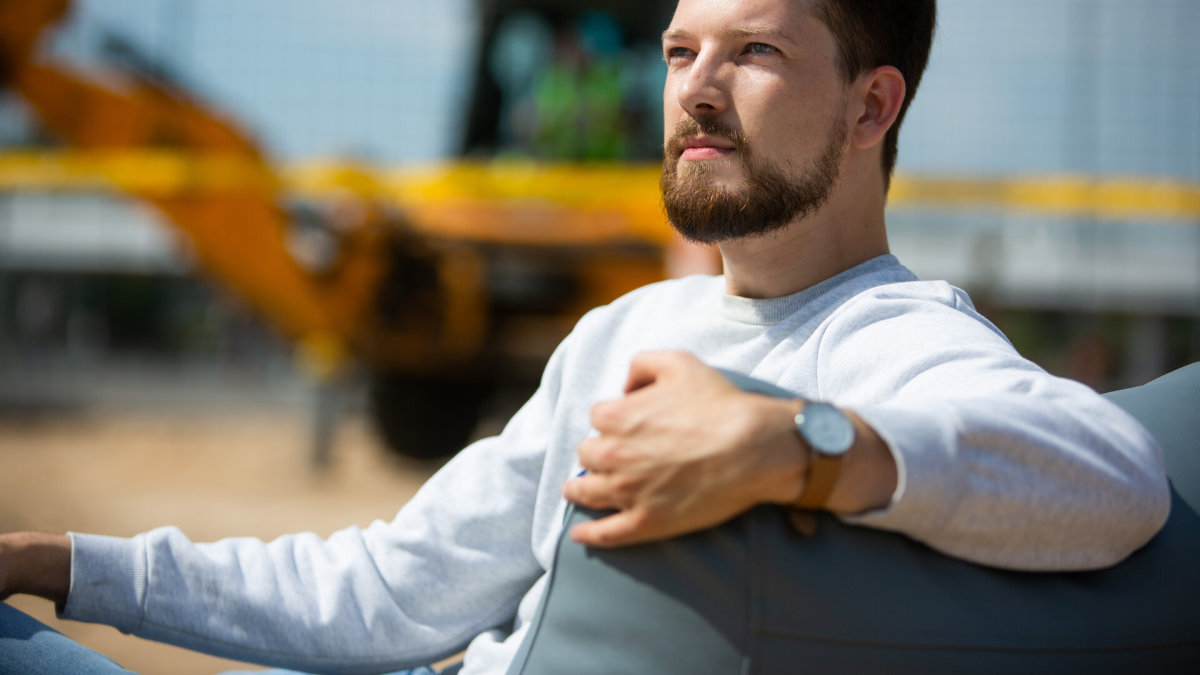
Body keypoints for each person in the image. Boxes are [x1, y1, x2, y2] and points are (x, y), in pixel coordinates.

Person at [0, 0, 1170, 673]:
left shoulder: (885, 336)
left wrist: (792, 445)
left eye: (753, 52)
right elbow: (395, 588)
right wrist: (64, 563)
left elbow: (1117, 477)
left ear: (873, 106)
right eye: (678, 52)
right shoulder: (627, 328)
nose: (695, 90)